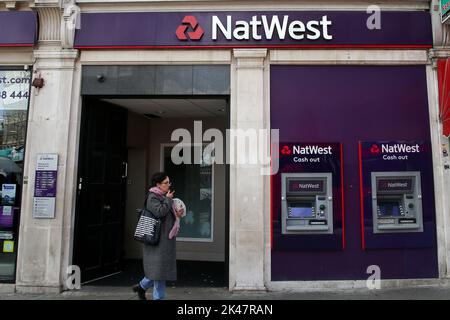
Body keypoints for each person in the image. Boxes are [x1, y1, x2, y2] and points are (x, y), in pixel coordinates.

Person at [133, 172, 184, 300]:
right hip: (157, 239)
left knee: (158, 270)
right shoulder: (152, 197)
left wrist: (178, 212)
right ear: (158, 184)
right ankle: (158, 298)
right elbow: (160, 212)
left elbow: (168, 213)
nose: (169, 185)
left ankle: (141, 286)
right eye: (166, 183)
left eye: (169, 182)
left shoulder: (164, 196)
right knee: (160, 272)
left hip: (165, 238)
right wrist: (168, 199)